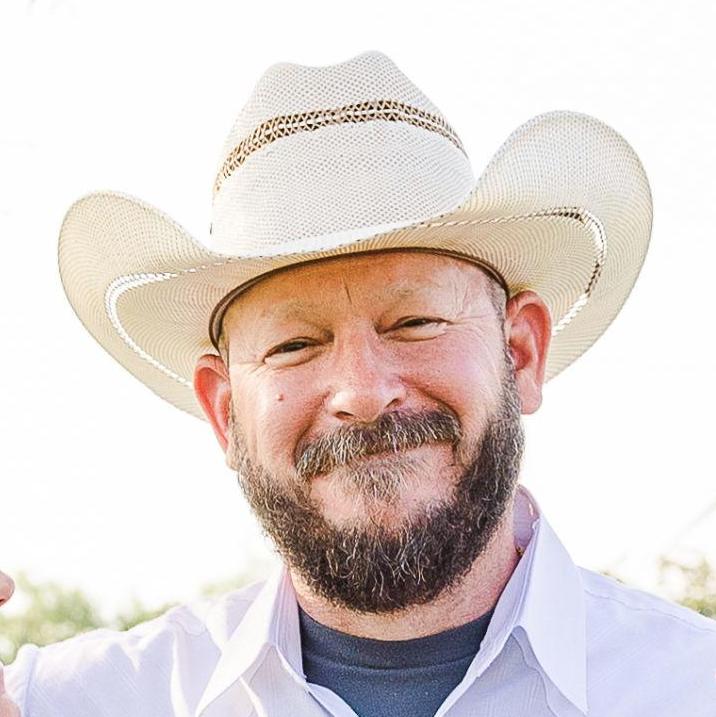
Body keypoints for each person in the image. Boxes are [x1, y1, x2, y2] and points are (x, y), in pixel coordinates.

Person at [2, 50, 715, 716]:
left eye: (415, 322)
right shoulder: (65, 703)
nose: (364, 393)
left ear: (521, 354)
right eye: (293, 344)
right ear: (224, 413)